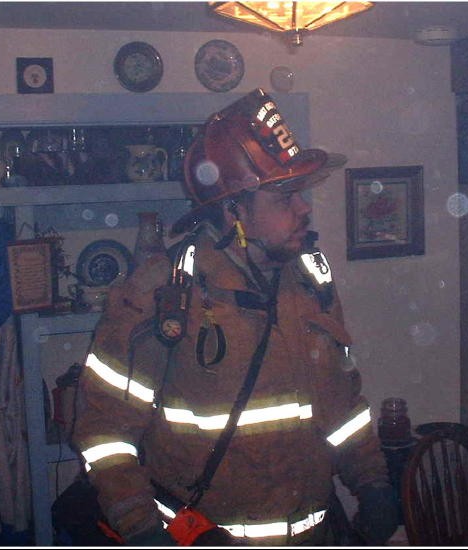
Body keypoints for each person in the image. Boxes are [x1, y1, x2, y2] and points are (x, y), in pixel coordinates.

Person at [71, 88, 398, 546]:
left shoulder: (312, 280)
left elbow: (340, 403)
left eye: (299, 193)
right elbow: (104, 431)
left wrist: (372, 481)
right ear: (234, 212)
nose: (303, 208)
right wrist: (142, 529)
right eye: (284, 198)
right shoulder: (160, 293)